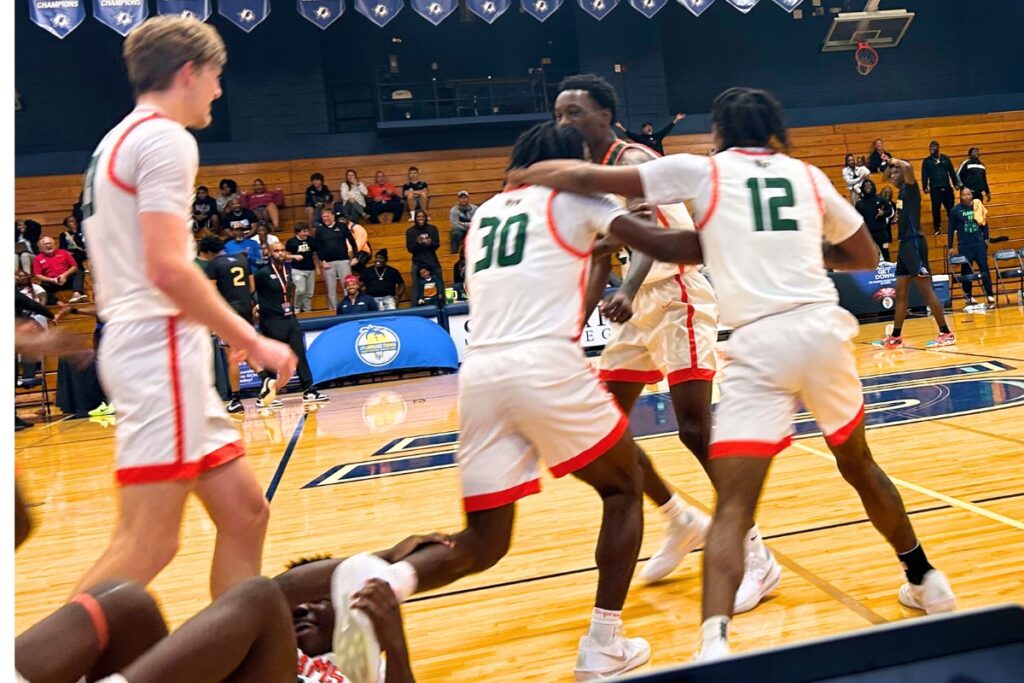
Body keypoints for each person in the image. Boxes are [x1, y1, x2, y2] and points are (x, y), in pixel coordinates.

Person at [510, 86, 957, 662]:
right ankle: (924, 577)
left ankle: (715, 643)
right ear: (773, 128)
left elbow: (610, 202)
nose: (565, 119)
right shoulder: (806, 174)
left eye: (573, 112)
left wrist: (526, 171)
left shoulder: (693, 169)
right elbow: (867, 255)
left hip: (731, 326)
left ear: (718, 131)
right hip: (819, 327)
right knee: (858, 463)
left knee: (725, 487)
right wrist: (795, 255)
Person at [331, 122, 681, 681]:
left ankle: (383, 585)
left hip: (482, 373)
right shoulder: (576, 198)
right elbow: (666, 245)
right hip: (541, 362)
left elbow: (557, 273)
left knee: (484, 541)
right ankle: (604, 644)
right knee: (623, 487)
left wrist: (600, 247)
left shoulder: (486, 216)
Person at [75, 15, 296, 600]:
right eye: (217, 76)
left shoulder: (115, 140)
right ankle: (35, 667)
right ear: (190, 71)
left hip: (148, 344)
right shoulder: (165, 137)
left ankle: (240, 655)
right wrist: (250, 338)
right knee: (148, 542)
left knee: (246, 513)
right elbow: (168, 268)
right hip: (157, 347)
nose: (219, 91)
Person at [554, 74, 772, 605]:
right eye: (559, 114)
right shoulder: (588, 176)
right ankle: (680, 519)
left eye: (575, 112)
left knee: (695, 429)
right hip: (637, 307)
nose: (565, 122)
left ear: (604, 114)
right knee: (602, 431)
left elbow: (650, 233)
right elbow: (602, 257)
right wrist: (572, 327)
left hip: (676, 293)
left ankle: (755, 554)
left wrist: (628, 289)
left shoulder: (631, 160)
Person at [877, 157, 956, 349]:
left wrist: (894, 160)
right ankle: (895, 336)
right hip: (905, 247)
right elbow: (884, 178)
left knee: (926, 289)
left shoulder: (911, 188)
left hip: (914, 245)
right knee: (901, 292)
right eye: (894, 173)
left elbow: (907, 167)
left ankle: (946, 333)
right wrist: (889, 166)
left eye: (897, 173)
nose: (893, 176)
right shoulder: (902, 192)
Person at [255, 241, 328, 405]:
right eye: (276, 251)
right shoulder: (262, 274)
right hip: (271, 320)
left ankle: (309, 390)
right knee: (274, 358)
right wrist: (257, 306)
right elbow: (252, 291)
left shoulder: (288, 272)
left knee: (300, 354)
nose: (280, 253)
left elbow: (287, 293)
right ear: (269, 253)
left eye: (282, 250)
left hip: (290, 318)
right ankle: (266, 395)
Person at [205, 240, 265, 413]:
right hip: (246, 309)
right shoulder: (242, 260)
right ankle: (265, 378)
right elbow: (252, 287)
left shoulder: (213, 264)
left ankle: (236, 399)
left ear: (209, 252)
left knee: (232, 355)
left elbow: (210, 293)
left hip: (228, 313)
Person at [948, 188, 995, 308]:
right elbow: (950, 229)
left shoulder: (978, 206)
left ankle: (989, 294)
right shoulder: (955, 210)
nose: (966, 196)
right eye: (963, 194)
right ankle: (968, 296)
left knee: (984, 268)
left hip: (979, 244)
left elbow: (985, 222)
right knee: (966, 271)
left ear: (971, 195)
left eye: (968, 194)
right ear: (960, 196)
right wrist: (950, 246)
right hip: (965, 245)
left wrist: (986, 238)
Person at [315, 207, 359, 311]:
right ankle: (333, 310)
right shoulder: (320, 230)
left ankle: (349, 308)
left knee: (347, 286)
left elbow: (352, 242)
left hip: (343, 260)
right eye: (324, 217)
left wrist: (355, 256)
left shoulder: (342, 226)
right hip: (328, 262)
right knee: (331, 289)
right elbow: (318, 247)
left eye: (327, 216)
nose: (325, 218)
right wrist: (323, 261)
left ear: (333, 216)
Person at [921, 141, 961, 235]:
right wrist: (924, 186)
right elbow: (924, 175)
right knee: (936, 208)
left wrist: (955, 183)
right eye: (930, 147)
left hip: (946, 187)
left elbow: (951, 172)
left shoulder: (946, 159)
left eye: (934, 147)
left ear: (938, 148)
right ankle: (937, 228)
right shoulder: (927, 161)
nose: (932, 148)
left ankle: (954, 226)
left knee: (951, 208)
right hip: (935, 188)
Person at [33, 236, 87, 303]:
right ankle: (57, 302)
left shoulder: (63, 252)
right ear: (40, 247)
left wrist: (64, 275)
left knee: (79, 272)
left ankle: (77, 294)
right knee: (42, 286)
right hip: (52, 282)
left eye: (50, 243)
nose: (48, 245)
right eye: (46, 244)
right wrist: (51, 280)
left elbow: (74, 266)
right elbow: (37, 275)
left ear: (54, 244)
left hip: (66, 280)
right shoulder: (37, 258)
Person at [405, 210, 443, 303]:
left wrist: (430, 242)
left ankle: (442, 305)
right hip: (417, 261)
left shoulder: (433, 228)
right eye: (418, 216)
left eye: (422, 216)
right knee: (416, 286)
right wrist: (417, 242)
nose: (420, 218)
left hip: (432, 260)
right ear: (415, 218)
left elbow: (437, 245)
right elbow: (410, 249)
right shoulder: (410, 231)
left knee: (439, 283)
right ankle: (415, 309)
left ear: (426, 218)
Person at [855, 179, 895, 261]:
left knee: (885, 253)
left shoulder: (881, 199)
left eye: (869, 185)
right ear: (862, 188)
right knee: (868, 255)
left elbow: (890, 211)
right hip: (868, 234)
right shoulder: (859, 203)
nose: (867, 187)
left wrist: (883, 213)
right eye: (865, 186)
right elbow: (857, 218)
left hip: (882, 233)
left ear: (873, 186)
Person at [285, 222, 320, 313]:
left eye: (307, 231)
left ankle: (307, 310)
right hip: (297, 270)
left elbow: (315, 254)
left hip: (310, 269)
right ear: (297, 232)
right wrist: (294, 256)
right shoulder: (291, 242)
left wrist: (318, 268)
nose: (306, 234)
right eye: (304, 232)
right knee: (300, 290)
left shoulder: (312, 240)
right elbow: (286, 256)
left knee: (309, 293)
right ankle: (297, 307)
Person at [613, 113, 685, 156]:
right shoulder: (641, 138)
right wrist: (620, 127)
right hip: (649, 161)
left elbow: (667, 129)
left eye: (649, 126)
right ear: (643, 130)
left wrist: (676, 119)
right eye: (646, 127)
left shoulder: (657, 136)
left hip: (660, 159)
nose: (648, 128)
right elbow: (630, 134)